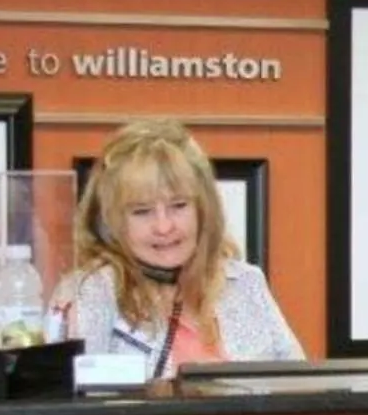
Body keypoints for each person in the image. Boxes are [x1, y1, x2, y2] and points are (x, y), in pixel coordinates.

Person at [60, 118, 304, 375]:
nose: (164, 227)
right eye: (142, 212)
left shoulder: (245, 283)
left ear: (203, 208)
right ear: (109, 223)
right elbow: (70, 402)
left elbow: (303, 391)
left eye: (179, 206)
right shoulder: (92, 292)